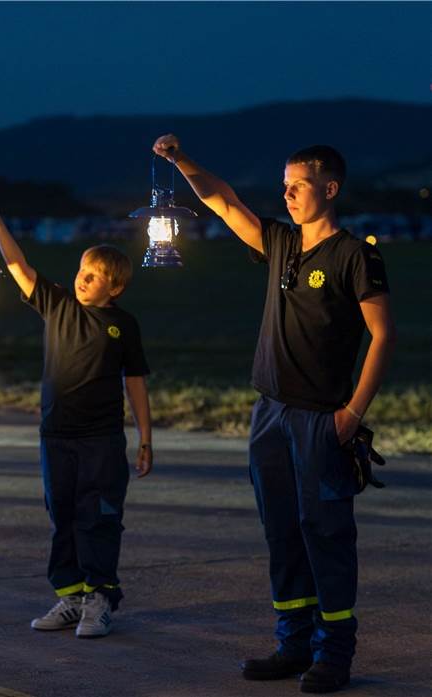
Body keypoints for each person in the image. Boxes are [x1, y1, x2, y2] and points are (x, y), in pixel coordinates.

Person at [151, 135, 395, 693]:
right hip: (269, 415)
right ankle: (293, 645)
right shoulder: (281, 243)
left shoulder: (357, 255)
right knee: (282, 533)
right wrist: (181, 159)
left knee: (325, 534)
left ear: (329, 189)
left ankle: (334, 654)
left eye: (299, 185)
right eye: (284, 185)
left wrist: (354, 413)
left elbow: (383, 335)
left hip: (320, 420)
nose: (287, 195)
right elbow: (223, 201)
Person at [0, 200, 153, 639]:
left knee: (99, 516)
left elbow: (137, 381)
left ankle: (100, 598)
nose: (82, 279)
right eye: (82, 271)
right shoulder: (58, 306)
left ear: (116, 287)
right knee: (63, 515)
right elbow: (17, 264)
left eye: (94, 276)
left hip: (102, 439)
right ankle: (70, 596)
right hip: (56, 435)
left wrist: (145, 437)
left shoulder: (123, 326)